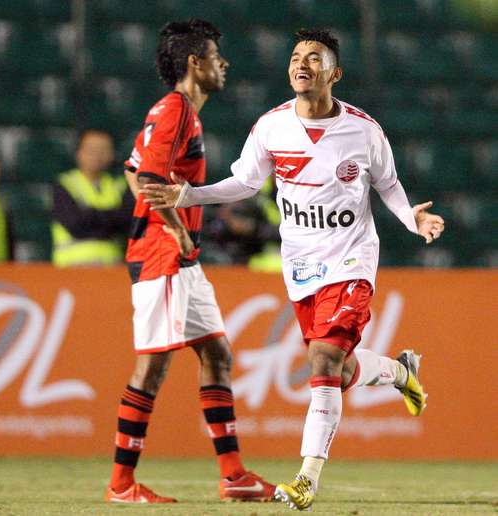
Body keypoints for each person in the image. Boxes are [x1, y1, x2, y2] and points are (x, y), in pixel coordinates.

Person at [141, 28, 445, 511]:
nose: (302, 64)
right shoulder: (272, 126)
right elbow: (243, 181)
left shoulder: (364, 130)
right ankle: (397, 371)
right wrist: (188, 194)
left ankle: (307, 477)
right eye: (296, 57)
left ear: (334, 73)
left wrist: (415, 218)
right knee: (340, 370)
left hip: (351, 259)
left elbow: (388, 186)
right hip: (301, 264)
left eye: (314, 58)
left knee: (323, 359)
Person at [105, 19, 276, 504]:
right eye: (217, 56)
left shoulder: (179, 112)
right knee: (152, 367)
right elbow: (153, 177)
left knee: (217, 355)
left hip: (179, 258)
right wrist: (178, 233)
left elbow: (133, 168)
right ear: (196, 64)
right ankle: (121, 484)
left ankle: (234, 475)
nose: (224, 64)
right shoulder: (176, 109)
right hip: (163, 254)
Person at [51, 129, 134, 267]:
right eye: (91, 149)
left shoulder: (120, 185)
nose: (97, 155)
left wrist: (89, 215)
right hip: (72, 269)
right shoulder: (65, 184)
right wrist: (111, 218)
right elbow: (74, 224)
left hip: (112, 267)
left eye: (103, 149)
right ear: (79, 153)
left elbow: (127, 221)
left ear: (112, 154)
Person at [204, 175, 281, 270]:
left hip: (274, 251)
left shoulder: (286, 191)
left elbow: (286, 233)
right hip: (247, 252)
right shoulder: (254, 185)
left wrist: (252, 228)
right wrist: (228, 220)